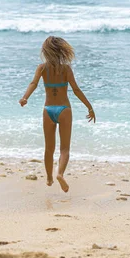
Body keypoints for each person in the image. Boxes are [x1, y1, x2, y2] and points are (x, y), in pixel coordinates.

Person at [19, 36, 95, 193]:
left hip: (48, 110)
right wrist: (89, 107)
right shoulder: (66, 69)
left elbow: (33, 83)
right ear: (62, 51)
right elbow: (76, 89)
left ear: (45, 51)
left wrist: (25, 97)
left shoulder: (42, 68)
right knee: (65, 149)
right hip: (64, 109)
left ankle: (49, 178)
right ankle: (59, 173)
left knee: (49, 149)